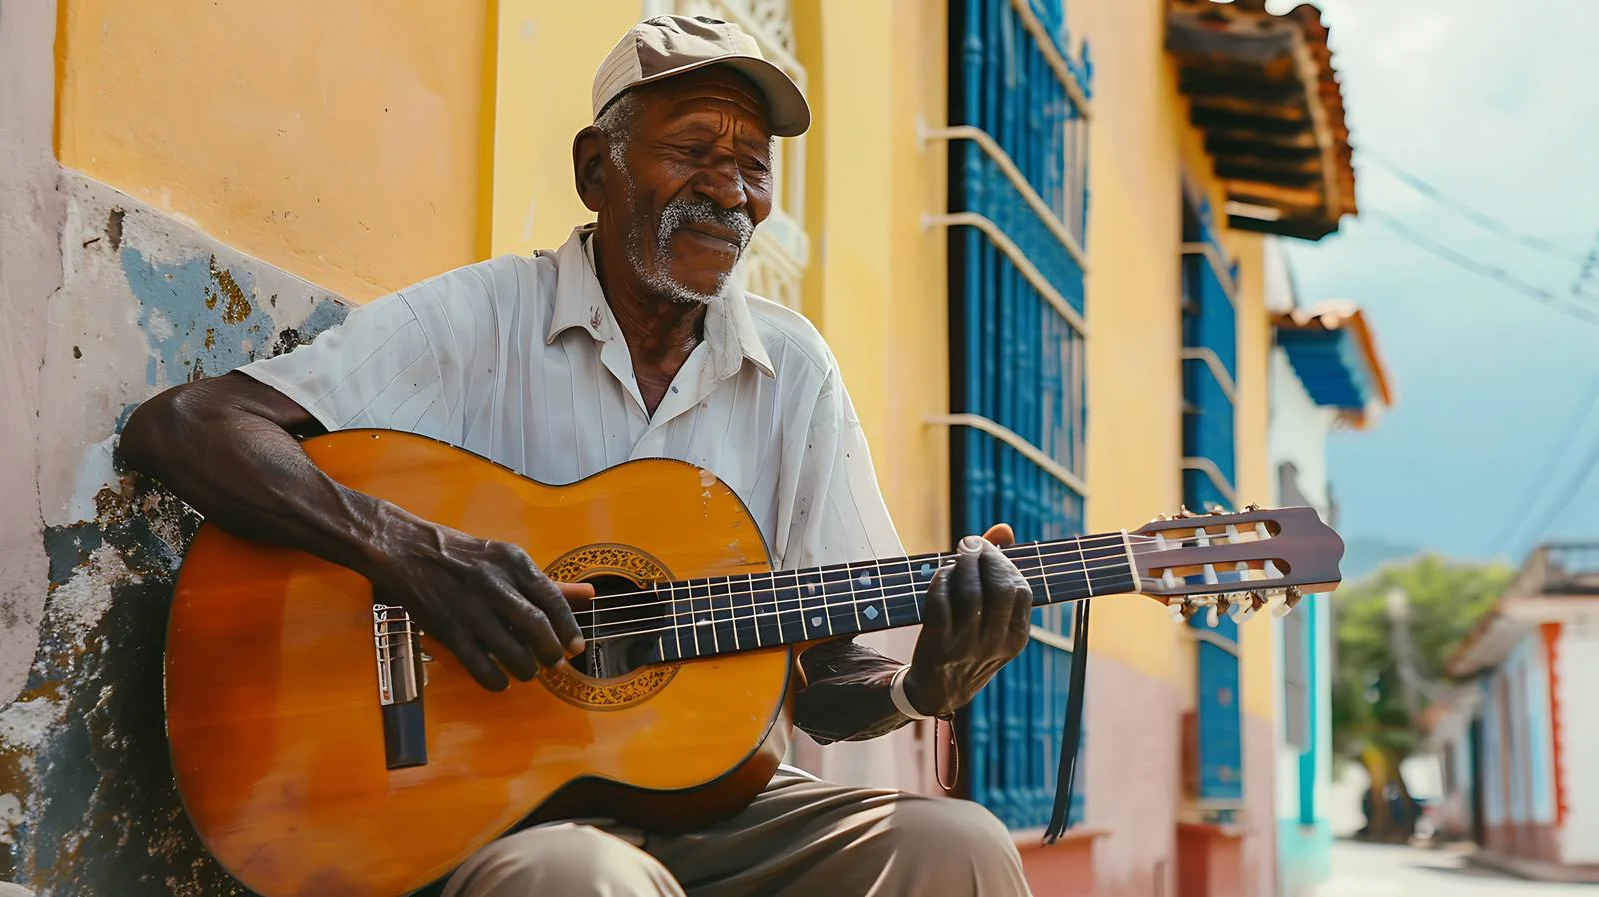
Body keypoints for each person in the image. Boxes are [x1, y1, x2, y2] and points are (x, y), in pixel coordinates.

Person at [121, 14, 1036, 897]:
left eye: (753, 165)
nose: (728, 190)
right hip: (489, 805)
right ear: (596, 168)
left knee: (957, 846)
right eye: (693, 151)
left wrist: (921, 685)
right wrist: (414, 554)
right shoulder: (482, 317)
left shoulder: (795, 374)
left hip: (719, 806)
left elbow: (829, 680)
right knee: (586, 879)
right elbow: (191, 425)